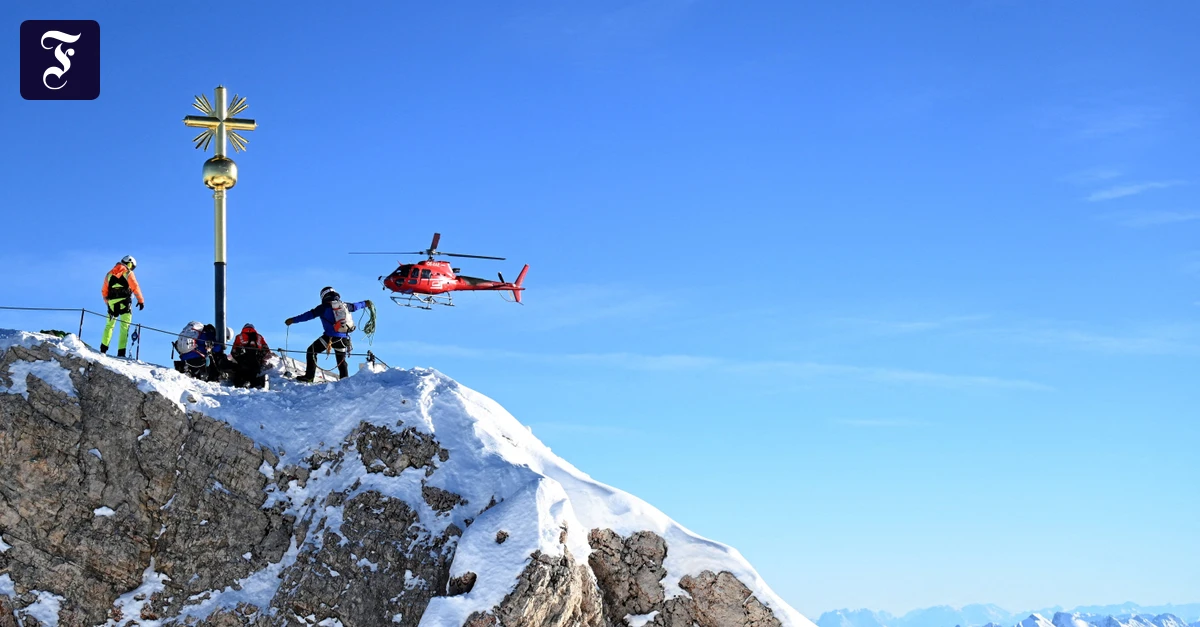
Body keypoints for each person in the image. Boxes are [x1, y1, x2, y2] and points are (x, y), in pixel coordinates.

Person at [285, 286, 373, 382]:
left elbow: (308, 315)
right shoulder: (345, 305)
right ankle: (345, 381)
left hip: (329, 338)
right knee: (341, 361)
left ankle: (309, 377)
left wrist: (293, 320)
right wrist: (366, 303)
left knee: (311, 351)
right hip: (343, 339)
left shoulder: (323, 308)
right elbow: (357, 306)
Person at [99, 255, 145, 357]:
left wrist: (109, 304)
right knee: (124, 327)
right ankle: (121, 352)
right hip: (125, 303)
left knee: (109, 326)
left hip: (112, 304)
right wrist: (140, 301)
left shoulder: (109, 274)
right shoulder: (128, 273)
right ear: (130, 263)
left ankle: (103, 349)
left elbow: (104, 292)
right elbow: (135, 287)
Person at [230, 323, 272, 389]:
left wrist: (238, 359)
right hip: (256, 362)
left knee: (240, 375)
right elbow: (266, 350)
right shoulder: (259, 337)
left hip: (243, 361)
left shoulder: (239, 336)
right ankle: (259, 382)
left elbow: (233, 351)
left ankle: (241, 383)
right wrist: (261, 359)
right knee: (254, 375)